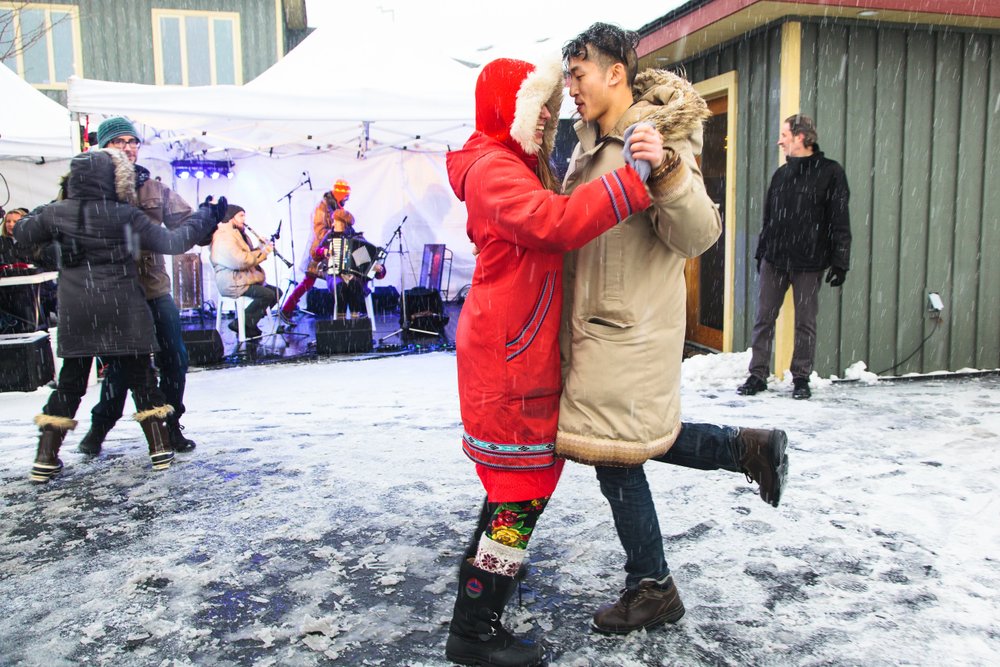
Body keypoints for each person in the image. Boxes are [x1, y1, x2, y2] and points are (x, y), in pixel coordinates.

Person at [555, 23, 790, 635]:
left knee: (615, 456)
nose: (570, 88)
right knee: (631, 441)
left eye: (579, 75)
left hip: (626, 328)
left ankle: (652, 585)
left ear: (614, 74)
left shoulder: (653, 135)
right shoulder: (589, 143)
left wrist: (665, 174)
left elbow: (698, 234)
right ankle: (748, 448)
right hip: (598, 327)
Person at [444, 55, 656, 667]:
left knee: (513, 495)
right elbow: (555, 222)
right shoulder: (492, 170)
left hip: (514, 350)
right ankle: (475, 628)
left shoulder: (504, 162)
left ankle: (481, 596)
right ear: (506, 111)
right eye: (537, 111)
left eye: (549, 112)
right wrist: (631, 181)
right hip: (508, 359)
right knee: (519, 499)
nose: (545, 124)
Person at [13, 148, 221, 482]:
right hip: (123, 309)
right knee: (141, 378)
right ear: (114, 179)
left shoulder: (57, 213)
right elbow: (173, 241)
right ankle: (160, 450)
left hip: (79, 312)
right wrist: (206, 216)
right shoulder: (125, 214)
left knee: (70, 383)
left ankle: (46, 457)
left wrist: (53, 241)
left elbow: (20, 231)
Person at [78, 117, 203, 456]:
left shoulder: (152, 187)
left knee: (175, 358)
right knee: (122, 367)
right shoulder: (87, 185)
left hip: (153, 287)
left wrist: (205, 222)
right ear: (103, 146)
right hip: (112, 292)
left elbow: (185, 220)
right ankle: (99, 427)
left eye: (133, 141)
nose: (129, 147)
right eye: (120, 141)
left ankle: (171, 424)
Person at [737, 114, 851, 400]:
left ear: (801, 137)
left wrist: (840, 261)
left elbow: (839, 219)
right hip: (774, 260)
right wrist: (761, 252)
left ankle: (801, 378)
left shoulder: (830, 172)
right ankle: (757, 374)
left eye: (784, 135)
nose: (780, 140)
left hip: (809, 262)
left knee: (805, 322)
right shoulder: (781, 174)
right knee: (763, 318)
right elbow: (769, 219)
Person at [278, 179, 352, 324]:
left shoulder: (335, 206)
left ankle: (287, 309)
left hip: (330, 248)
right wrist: (334, 234)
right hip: (321, 250)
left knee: (310, 282)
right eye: (345, 195)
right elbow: (319, 230)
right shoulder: (322, 207)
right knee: (309, 281)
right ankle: (287, 309)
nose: (347, 198)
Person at [210, 204, 280, 338]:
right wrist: (263, 253)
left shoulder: (240, 234)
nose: (244, 219)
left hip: (243, 279)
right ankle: (241, 324)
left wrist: (260, 247)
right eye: (241, 215)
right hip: (232, 281)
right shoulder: (224, 237)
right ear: (231, 218)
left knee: (276, 292)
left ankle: (248, 324)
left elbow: (248, 255)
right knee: (268, 295)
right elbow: (241, 261)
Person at [318, 208, 385, 319]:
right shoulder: (330, 236)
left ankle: (355, 319)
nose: (333, 223)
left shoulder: (357, 239)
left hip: (355, 278)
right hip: (335, 274)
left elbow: (364, 264)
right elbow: (317, 251)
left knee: (353, 285)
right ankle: (341, 321)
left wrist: (377, 269)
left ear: (343, 223)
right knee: (340, 286)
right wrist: (324, 251)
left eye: (335, 221)